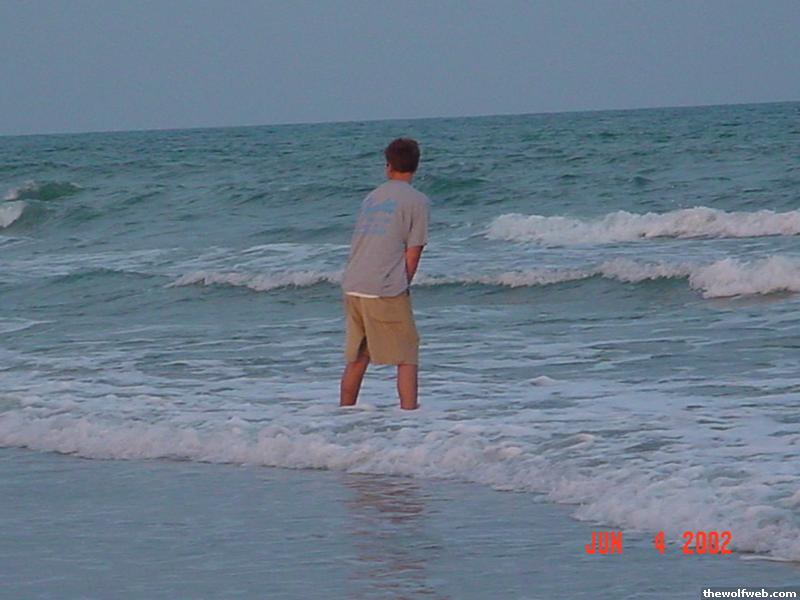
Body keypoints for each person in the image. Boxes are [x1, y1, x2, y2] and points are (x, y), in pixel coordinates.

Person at [339, 138, 430, 410]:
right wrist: (404, 284)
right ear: (416, 166)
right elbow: (413, 250)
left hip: (354, 281)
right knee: (407, 352)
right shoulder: (417, 201)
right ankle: (410, 414)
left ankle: (344, 412)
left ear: (388, 166)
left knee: (358, 355)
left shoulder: (372, 197)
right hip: (384, 285)